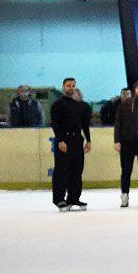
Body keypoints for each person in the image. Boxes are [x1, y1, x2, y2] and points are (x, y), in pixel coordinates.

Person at [50, 77, 91, 211]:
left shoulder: (79, 106)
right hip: (64, 141)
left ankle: (74, 198)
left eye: (73, 85)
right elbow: (55, 124)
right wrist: (60, 140)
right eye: (68, 85)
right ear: (63, 87)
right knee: (62, 171)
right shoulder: (57, 105)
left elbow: (84, 125)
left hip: (77, 141)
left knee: (77, 170)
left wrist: (88, 140)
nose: (71, 88)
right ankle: (59, 199)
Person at [113, 80, 138, 206]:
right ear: (134, 89)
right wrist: (117, 140)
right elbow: (118, 122)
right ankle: (124, 196)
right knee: (126, 170)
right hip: (127, 142)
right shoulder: (125, 103)